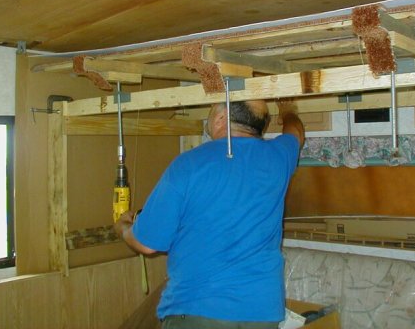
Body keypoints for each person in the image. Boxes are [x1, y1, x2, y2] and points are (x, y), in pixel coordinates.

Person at [115, 99, 304, 329]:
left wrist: (123, 227)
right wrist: (288, 110)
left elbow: (146, 245)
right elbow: (295, 133)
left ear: (221, 118)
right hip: (262, 313)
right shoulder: (278, 157)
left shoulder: (189, 164)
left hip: (199, 310)